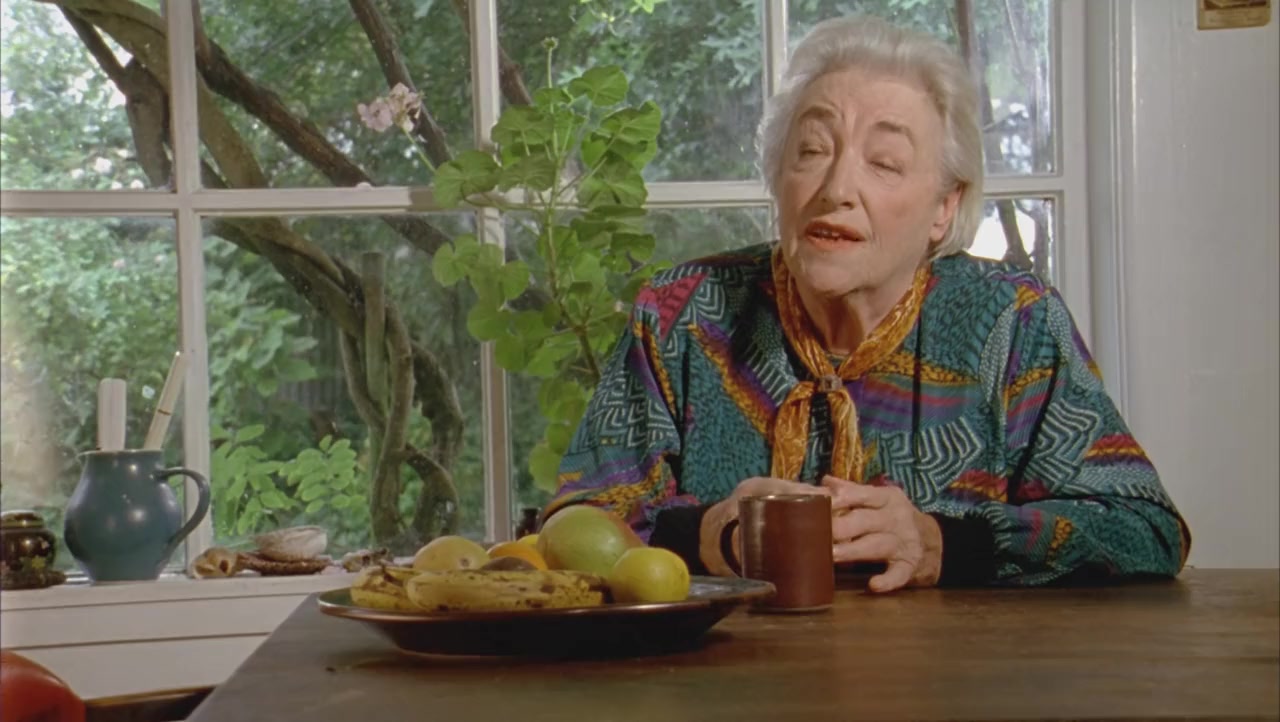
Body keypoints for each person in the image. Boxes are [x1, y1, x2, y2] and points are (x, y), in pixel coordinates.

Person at [543, 15, 1190, 592]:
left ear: (944, 207)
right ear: (778, 177)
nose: (837, 188)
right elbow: (574, 524)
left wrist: (939, 543)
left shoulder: (1013, 322)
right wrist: (711, 534)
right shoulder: (681, 314)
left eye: (884, 162)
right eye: (812, 151)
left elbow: (1144, 528)